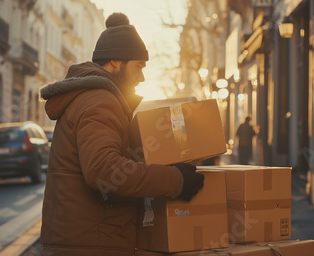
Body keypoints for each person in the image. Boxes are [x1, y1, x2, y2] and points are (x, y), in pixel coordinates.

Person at [39, 13, 204, 256]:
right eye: (139, 66)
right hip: (90, 245)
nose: (142, 77)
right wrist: (174, 180)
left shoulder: (94, 97)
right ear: (115, 61)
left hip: (84, 241)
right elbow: (105, 171)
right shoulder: (99, 100)